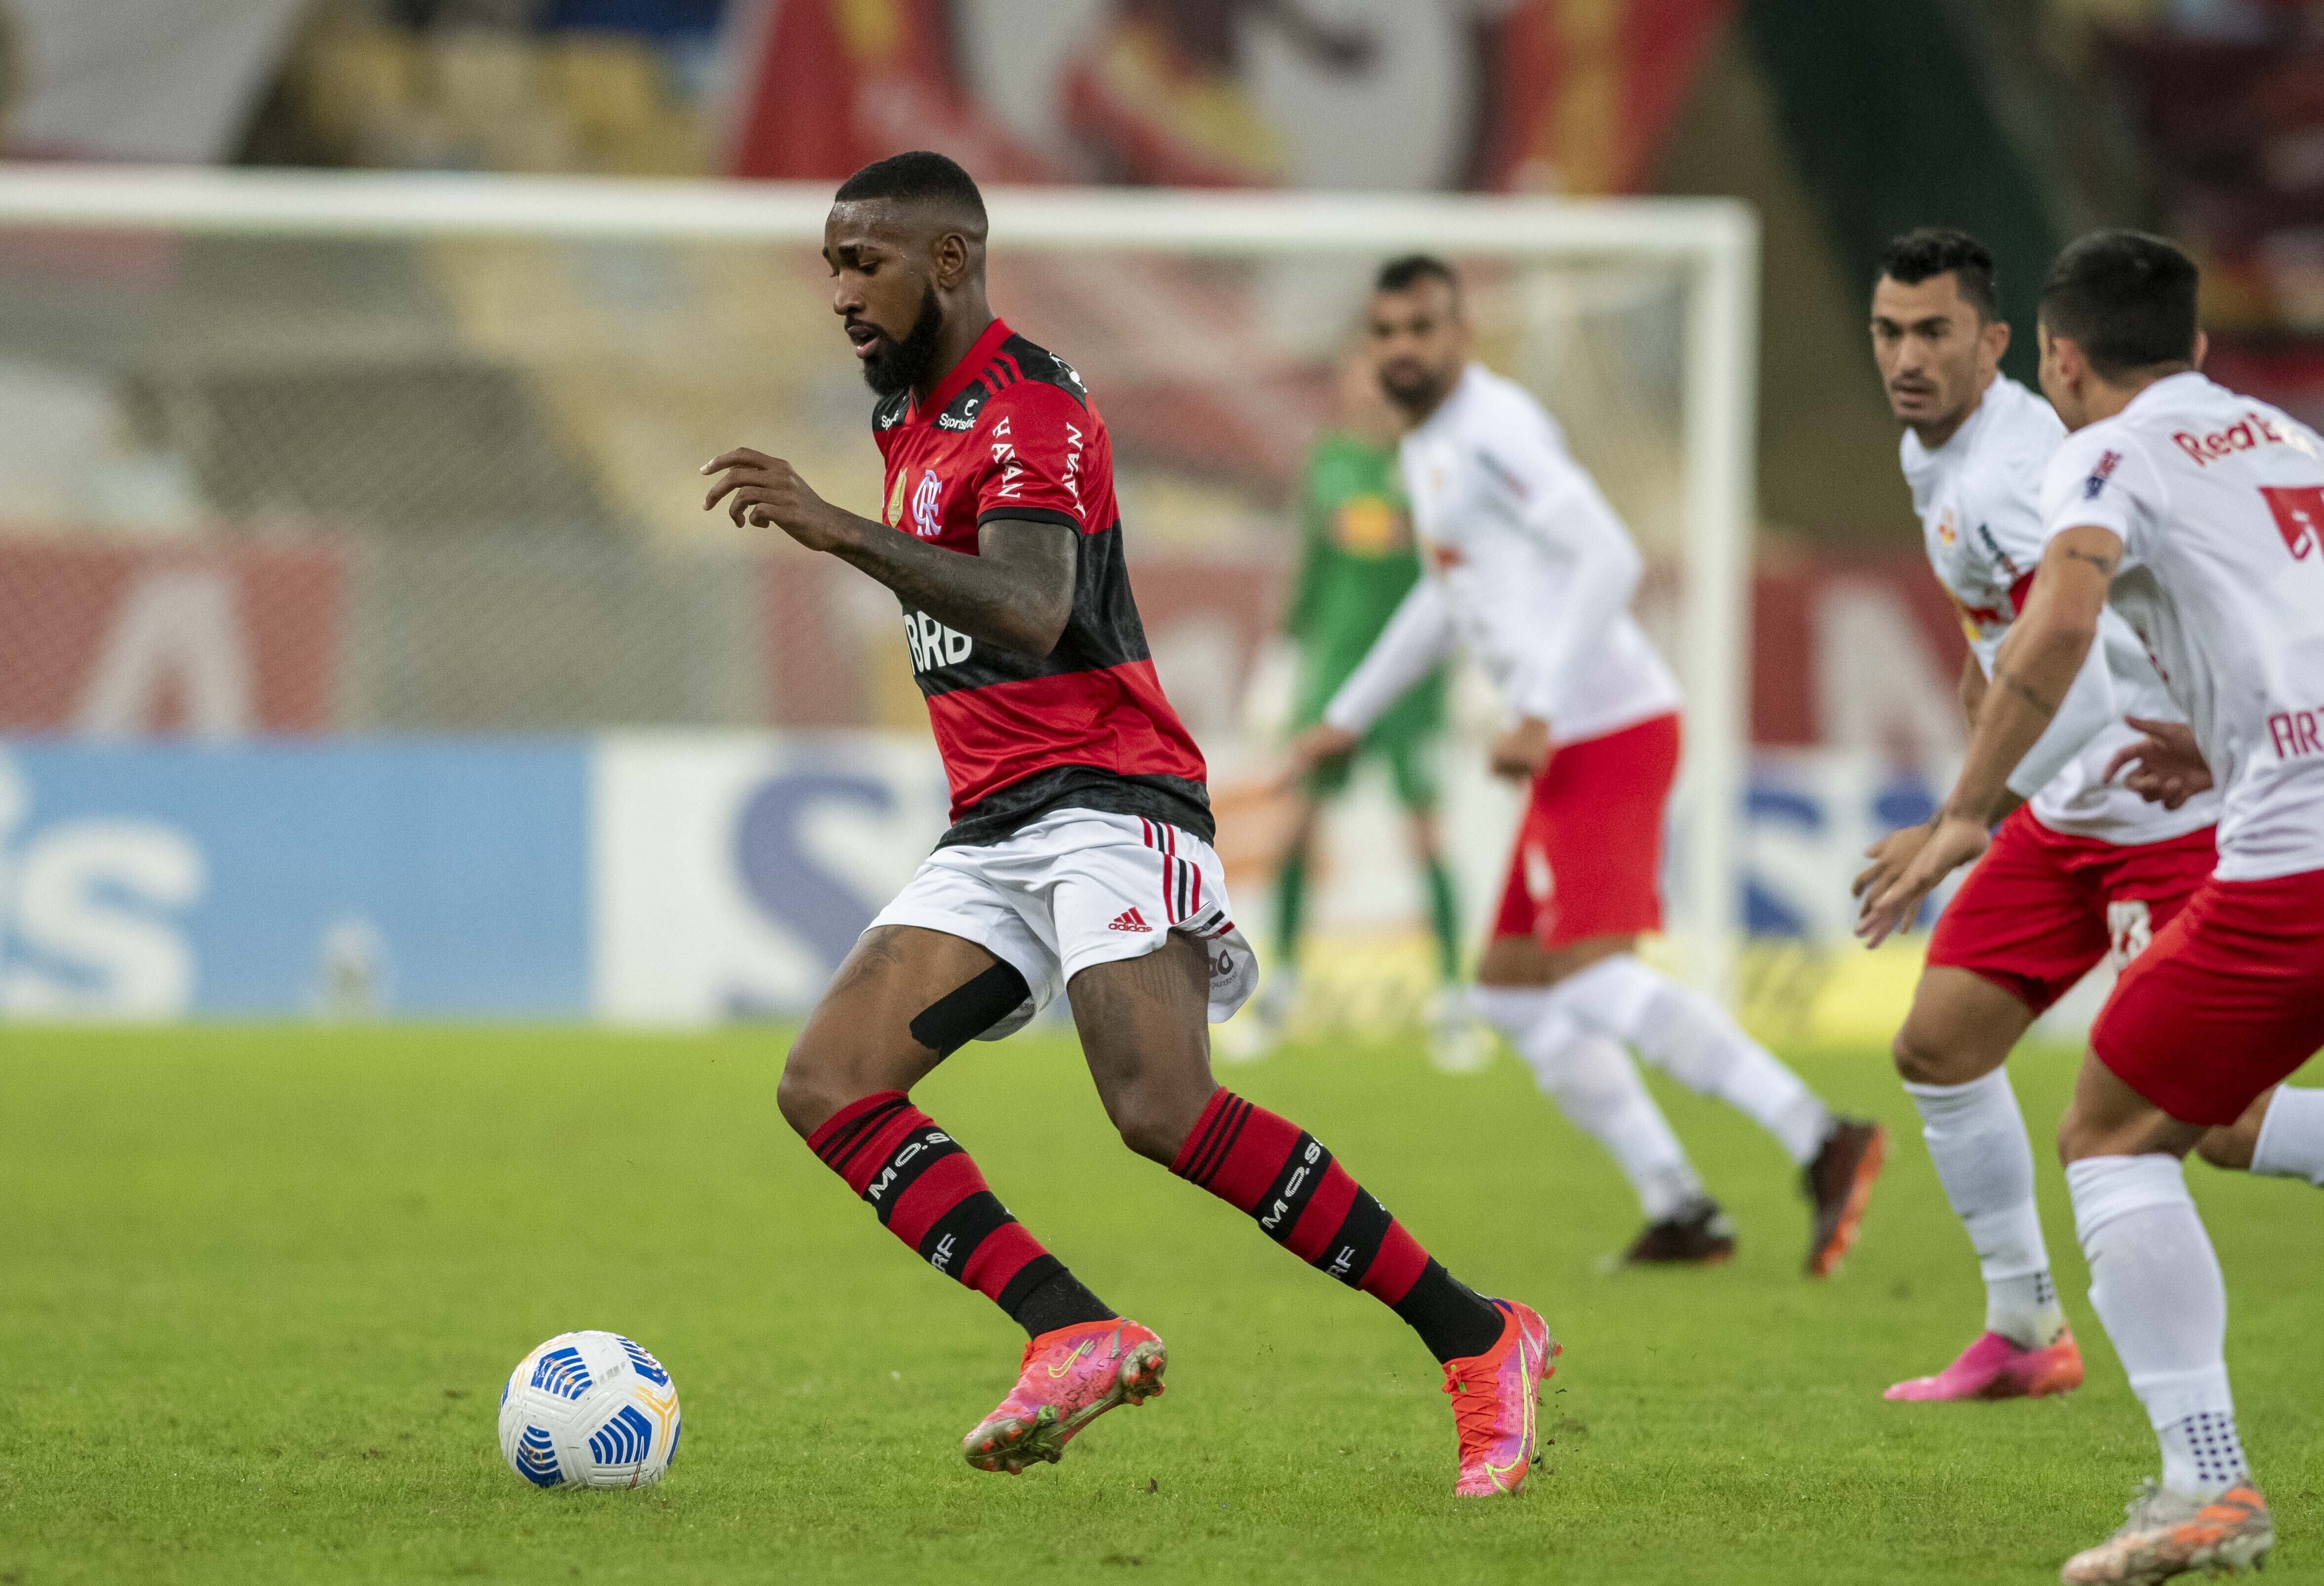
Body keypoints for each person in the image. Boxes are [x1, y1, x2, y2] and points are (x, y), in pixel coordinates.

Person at [700, 153, 1555, 1496]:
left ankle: (1479, 1334)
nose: (840, 292)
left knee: (1160, 1106)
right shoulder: (910, 415)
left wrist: (835, 529)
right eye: (830, 266)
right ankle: (1071, 1329)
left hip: (1107, 792)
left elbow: (1035, 607)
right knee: (827, 1082)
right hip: (995, 821)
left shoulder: (1028, 406)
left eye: (862, 262)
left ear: (948, 260)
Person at [1858, 230, 2324, 1582]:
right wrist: (2226, 726)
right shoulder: (2295, 441)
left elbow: (2061, 624)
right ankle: (2026, 1333)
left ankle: (2205, 1482)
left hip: (2298, 866)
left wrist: (1968, 806)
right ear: (2200, 349)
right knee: (1991, 1059)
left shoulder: (2093, 453)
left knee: (2112, 1131)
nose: (1906, 358)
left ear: (2056, 357)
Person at [1286, 254, 1886, 1273]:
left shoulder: (1493, 428)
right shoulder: (1430, 448)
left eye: (1421, 328)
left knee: (1596, 986)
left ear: (1461, 334)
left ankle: (1820, 1135)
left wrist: (1537, 710)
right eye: (1385, 332)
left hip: (1603, 728)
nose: (1402, 349)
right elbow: (1444, 598)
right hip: (1567, 735)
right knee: (1515, 995)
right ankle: (1682, 1206)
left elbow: (1610, 553)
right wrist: (1346, 714)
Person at [1243, 343, 1470, 1064]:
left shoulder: (1433, 462)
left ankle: (1450, 998)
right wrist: (1280, 661)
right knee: (1297, 826)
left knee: (1424, 831)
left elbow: (1460, 570)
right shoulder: (1328, 464)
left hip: (1412, 683)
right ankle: (1282, 987)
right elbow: (1304, 564)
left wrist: (1473, 665)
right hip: (1333, 676)